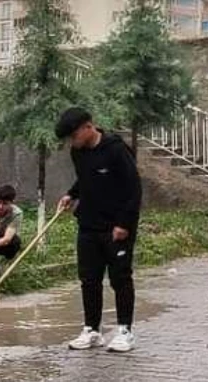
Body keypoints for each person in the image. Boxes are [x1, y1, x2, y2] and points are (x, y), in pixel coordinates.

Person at [55, 107, 143, 354]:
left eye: (75, 135)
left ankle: (125, 331)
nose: (73, 141)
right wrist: (71, 195)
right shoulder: (78, 152)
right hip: (88, 224)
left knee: (120, 278)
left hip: (116, 228)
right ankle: (92, 330)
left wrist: (124, 224)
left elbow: (133, 189)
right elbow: (85, 179)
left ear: (88, 127)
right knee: (89, 279)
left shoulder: (116, 150)